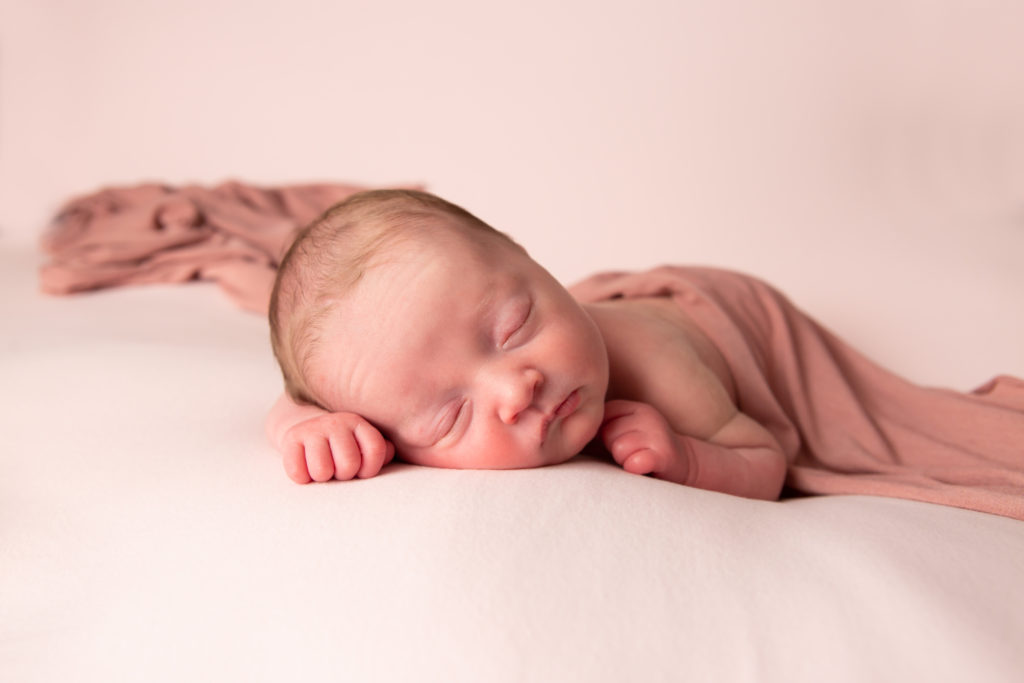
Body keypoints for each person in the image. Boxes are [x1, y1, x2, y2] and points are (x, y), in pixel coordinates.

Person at [266, 189, 1024, 519]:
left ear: (539, 264)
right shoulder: (387, 372)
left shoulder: (662, 375)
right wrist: (300, 426)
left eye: (515, 324)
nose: (515, 387)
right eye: (449, 413)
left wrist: (691, 458)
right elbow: (306, 394)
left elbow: (763, 458)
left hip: (725, 318)